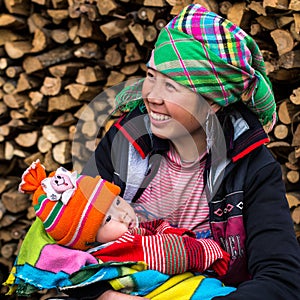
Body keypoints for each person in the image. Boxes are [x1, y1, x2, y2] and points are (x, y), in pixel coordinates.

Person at [73, 3, 300, 300]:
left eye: (173, 86)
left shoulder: (252, 167)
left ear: (214, 102)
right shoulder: (125, 143)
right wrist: (103, 296)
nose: (152, 96)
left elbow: (281, 279)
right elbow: (65, 237)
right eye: (151, 76)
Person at [17, 159, 230, 275]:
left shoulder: (118, 234)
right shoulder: (121, 248)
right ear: (87, 241)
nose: (122, 214)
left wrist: (168, 230)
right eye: (107, 220)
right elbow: (170, 253)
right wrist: (210, 251)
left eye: (117, 202)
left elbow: (153, 227)